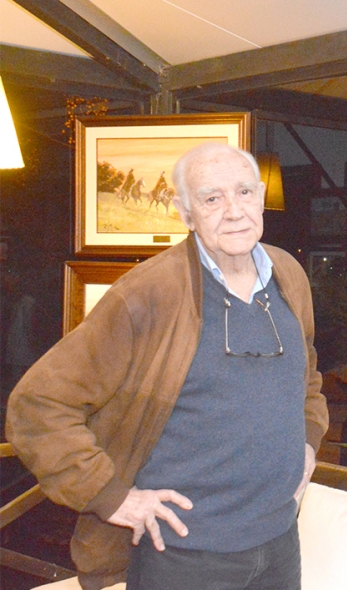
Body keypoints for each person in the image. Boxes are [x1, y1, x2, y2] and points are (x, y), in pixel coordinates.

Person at [6, 143, 328, 590]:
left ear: (260, 196)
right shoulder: (149, 292)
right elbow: (37, 405)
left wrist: (309, 440)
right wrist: (112, 497)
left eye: (244, 192)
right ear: (185, 213)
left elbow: (306, 373)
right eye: (212, 198)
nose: (234, 211)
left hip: (279, 543)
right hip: (186, 556)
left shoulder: (289, 273)